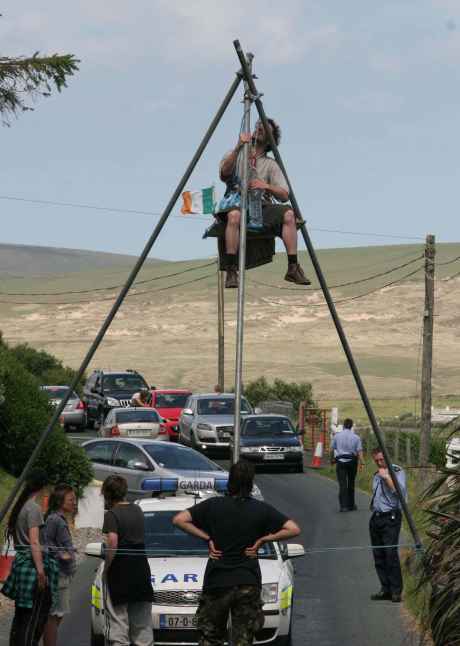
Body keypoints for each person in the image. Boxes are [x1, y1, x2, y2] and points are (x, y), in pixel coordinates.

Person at [173, 461, 301, 646]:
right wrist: (264, 539)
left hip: (217, 581)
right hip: (247, 582)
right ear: (250, 483)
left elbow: (179, 520)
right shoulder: (261, 509)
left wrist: (207, 538)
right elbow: (293, 529)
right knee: (243, 639)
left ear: (230, 481)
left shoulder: (213, 505)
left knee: (210, 637)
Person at [218, 118, 311, 289]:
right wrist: (239, 147)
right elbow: (224, 174)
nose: (259, 128)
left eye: (264, 128)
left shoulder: (270, 165)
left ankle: (293, 267)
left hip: (260, 205)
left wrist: (266, 185)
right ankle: (231, 270)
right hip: (236, 201)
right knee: (234, 215)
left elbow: (284, 194)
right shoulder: (235, 154)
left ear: (270, 139)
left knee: (289, 214)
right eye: (258, 126)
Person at [2, 468, 59, 646]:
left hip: (21, 564)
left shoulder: (21, 505)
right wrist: (41, 571)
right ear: (43, 486)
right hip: (32, 567)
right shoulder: (33, 508)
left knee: (21, 617)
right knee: (33, 619)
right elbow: (34, 542)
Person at [101, 475, 153, 646]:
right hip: (141, 569)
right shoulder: (137, 510)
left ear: (108, 494)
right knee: (142, 625)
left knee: (118, 623)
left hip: (121, 571)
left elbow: (113, 541)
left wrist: (106, 567)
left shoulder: (112, 514)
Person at [369, 448, 407, 603]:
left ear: (387, 457)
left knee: (390, 554)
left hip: (390, 518)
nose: (379, 463)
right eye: (376, 460)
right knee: (379, 556)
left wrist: (387, 478)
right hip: (377, 517)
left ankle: (396, 591)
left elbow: (400, 494)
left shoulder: (396, 471)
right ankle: (385, 588)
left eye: (381, 459)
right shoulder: (376, 474)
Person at [43, 484, 77, 646]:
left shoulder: (59, 519)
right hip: (58, 574)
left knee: (58, 614)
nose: (74, 502)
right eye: (71, 499)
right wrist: (60, 554)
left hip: (63, 574)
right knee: (54, 615)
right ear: (60, 501)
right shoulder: (54, 519)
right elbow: (45, 543)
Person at [330, 418, 364, 512]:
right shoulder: (356, 437)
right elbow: (359, 451)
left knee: (342, 484)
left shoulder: (337, 436)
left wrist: (332, 460)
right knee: (351, 483)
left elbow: (332, 449)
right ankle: (351, 505)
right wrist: (362, 462)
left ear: (344, 426)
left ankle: (343, 506)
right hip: (352, 461)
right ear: (352, 426)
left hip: (340, 461)